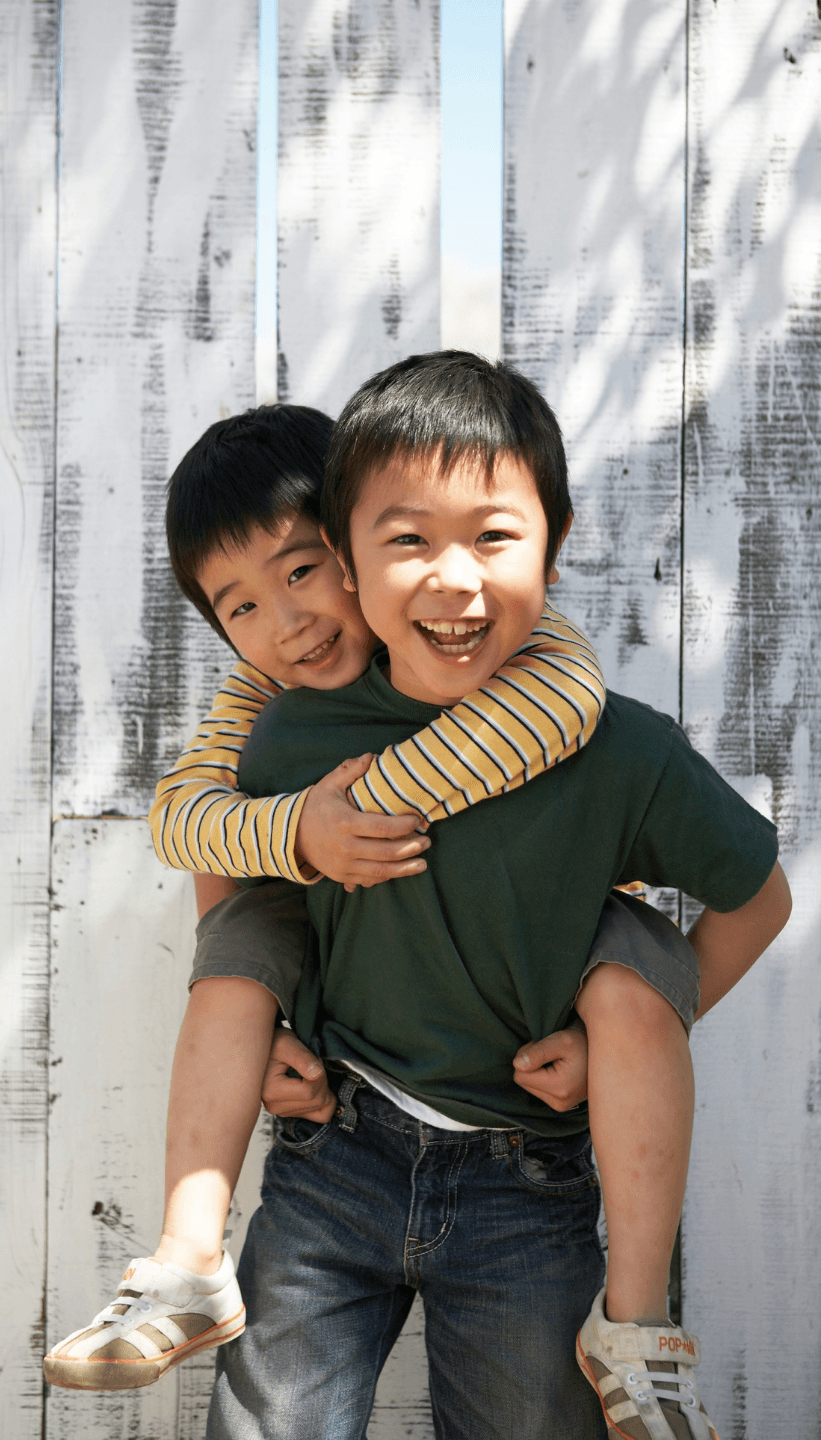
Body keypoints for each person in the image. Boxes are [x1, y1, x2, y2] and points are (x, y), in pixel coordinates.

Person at [201, 355, 788, 1439]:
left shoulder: (619, 753)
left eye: (494, 537)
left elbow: (758, 898)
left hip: (528, 1182)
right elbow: (236, 870)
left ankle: (637, 1330)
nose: (453, 579)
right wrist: (260, 1028)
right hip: (338, 1153)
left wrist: (626, 1037)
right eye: (409, 539)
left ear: (554, 549)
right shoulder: (300, 735)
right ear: (347, 559)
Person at [43, 400, 608, 1393]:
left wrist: (370, 804)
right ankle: (187, 1256)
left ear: (359, 540)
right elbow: (182, 815)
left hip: (517, 1105)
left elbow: (561, 700)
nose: (286, 622)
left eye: (302, 570)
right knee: (239, 933)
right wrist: (301, 832)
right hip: (341, 1102)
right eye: (240, 606)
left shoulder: (479, 637)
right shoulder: (263, 698)